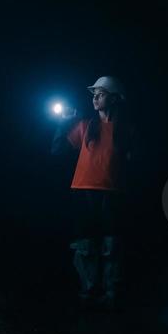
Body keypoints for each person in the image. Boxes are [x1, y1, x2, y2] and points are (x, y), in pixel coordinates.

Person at [51, 76, 132, 310]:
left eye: (101, 93)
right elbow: (56, 151)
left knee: (112, 246)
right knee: (85, 246)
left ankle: (111, 295)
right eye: (94, 94)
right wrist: (64, 123)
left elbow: (135, 161)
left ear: (115, 99)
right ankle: (88, 293)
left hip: (113, 193)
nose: (95, 98)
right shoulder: (86, 126)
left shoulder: (126, 130)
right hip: (83, 191)